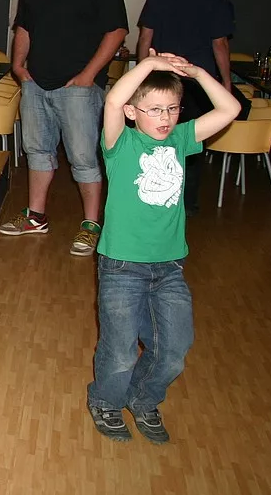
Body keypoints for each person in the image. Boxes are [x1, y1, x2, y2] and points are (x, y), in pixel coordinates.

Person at [86, 50, 238, 444]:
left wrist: (197, 73)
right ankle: (106, 400)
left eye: (172, 108)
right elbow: (113, 100)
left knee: (173, 349)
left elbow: (230, 109)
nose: (165, 117)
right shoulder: (121, 144)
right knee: (120, 350)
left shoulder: (181, 139)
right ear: (133, 113)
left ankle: (142, 398)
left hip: (169, 267)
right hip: (122, 266)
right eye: (154, 109)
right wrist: (148, 66)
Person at [0, 0, 128, 257]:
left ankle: (91, 226)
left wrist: (88, 75)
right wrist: (18, 65)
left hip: (79, 88)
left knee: (83, 158)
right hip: (36, 83)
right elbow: (24, 27)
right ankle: (36, 217)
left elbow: (117, 31)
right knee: (37, 152)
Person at [136, 0, 238, 213]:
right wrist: (226, 81)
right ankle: (186, 204)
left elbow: (145, 37)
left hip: (162, 80)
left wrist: (142, 73)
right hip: (197, 82)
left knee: (154, 136)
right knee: (191, 142)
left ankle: (151, 194)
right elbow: (220, 44)